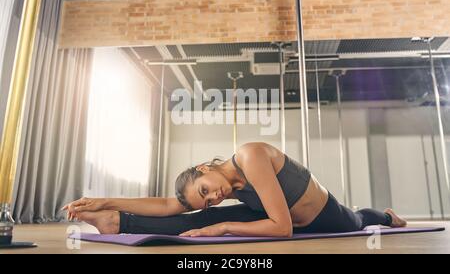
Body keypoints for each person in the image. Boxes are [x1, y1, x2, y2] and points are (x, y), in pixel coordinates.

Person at [63, 142, 406, 237]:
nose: (214, 198)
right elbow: (170, 205)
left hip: (325, 217)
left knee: (361, 219)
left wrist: (224, 226)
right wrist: (104, 199)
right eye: (208, 199)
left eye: (206, 190)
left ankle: (389, 216)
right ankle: (117, 223)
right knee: (193, 223)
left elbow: (283, 228)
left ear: (203, 168)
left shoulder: (250, 155)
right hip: (270, 214)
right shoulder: (222, 187)